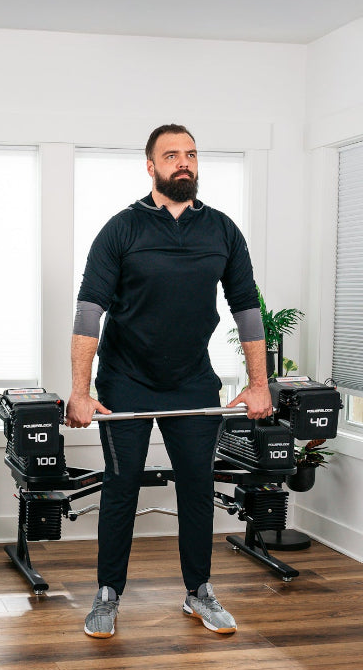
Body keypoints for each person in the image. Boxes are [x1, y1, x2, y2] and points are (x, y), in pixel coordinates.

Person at [66, 124, 272, 640]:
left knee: (198, 488)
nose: (184, 162)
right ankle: (108, 594)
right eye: (172, 155)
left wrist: (259, 383)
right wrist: (80, 390)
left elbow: (246, 308)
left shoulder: (222, 230)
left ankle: (198, 591)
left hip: (190, 381)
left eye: (192, 154)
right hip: (126, 378)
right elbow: (89, 312)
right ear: (151, 165)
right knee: (121, 488)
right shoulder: (122, 229)